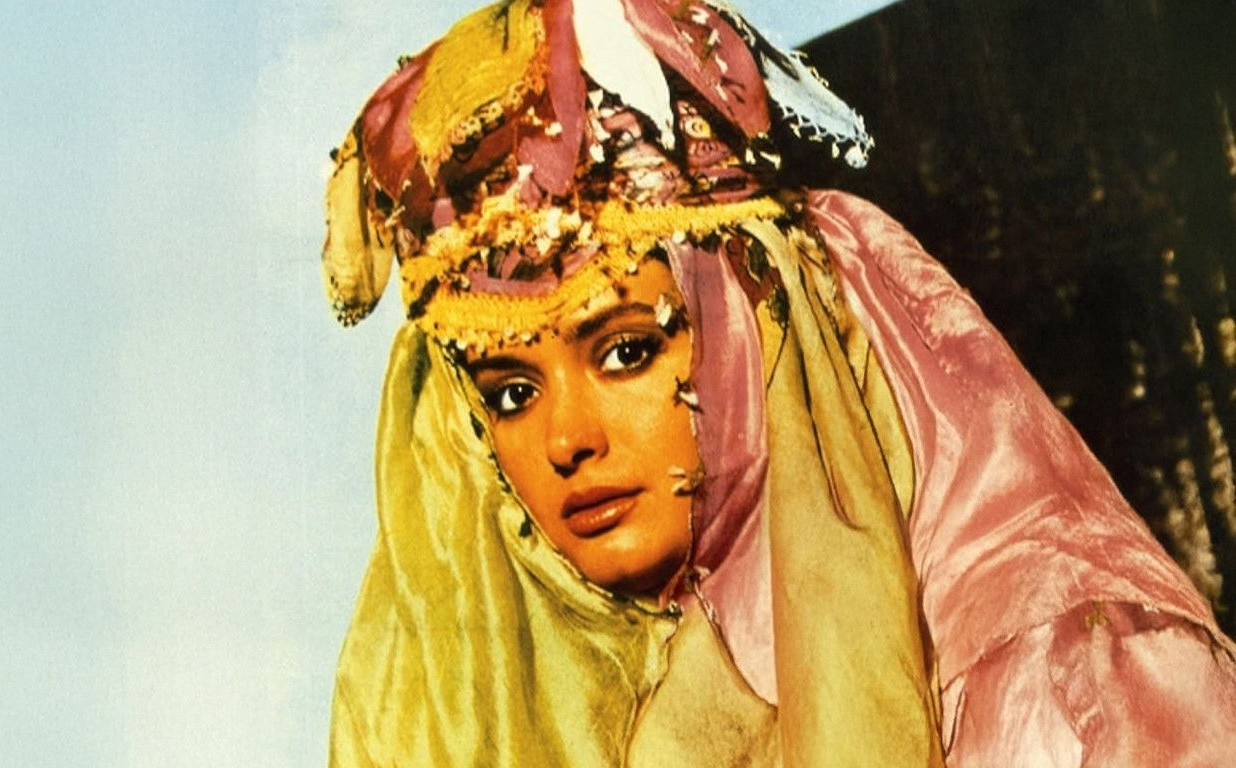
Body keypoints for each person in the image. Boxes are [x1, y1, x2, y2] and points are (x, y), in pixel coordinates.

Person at [320, 1, 1236, 765]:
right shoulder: (580, 712)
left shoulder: (1086, 692)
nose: (568, 441)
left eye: (627, 351)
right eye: (511, 393)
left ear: (750, 329)